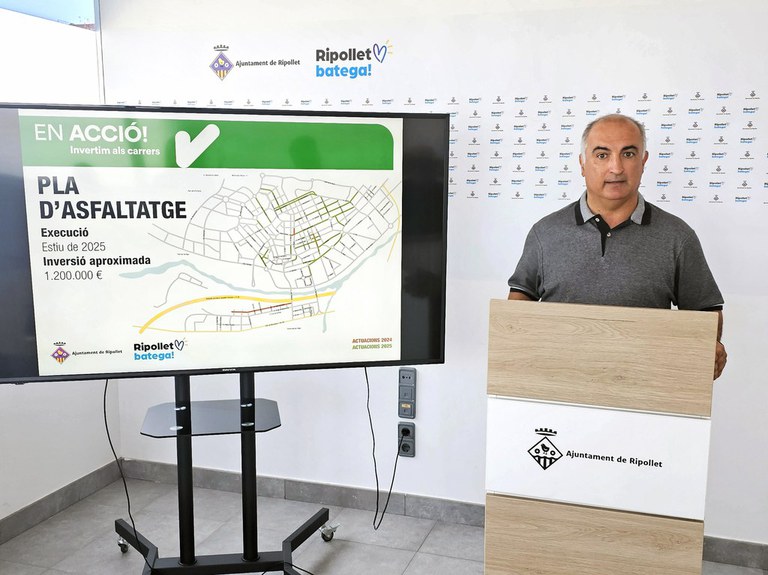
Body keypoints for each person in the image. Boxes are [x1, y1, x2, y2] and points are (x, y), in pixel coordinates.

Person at [507, 113, 727, 379]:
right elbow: (517, 309)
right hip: (558, 385)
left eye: (628, 154)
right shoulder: (545, 233)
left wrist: (708, 348)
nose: (616, 168)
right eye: (602, 155)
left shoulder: (678, 237)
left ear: (643, 161)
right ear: (582, 163)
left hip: (644, 387)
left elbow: (705, 313)